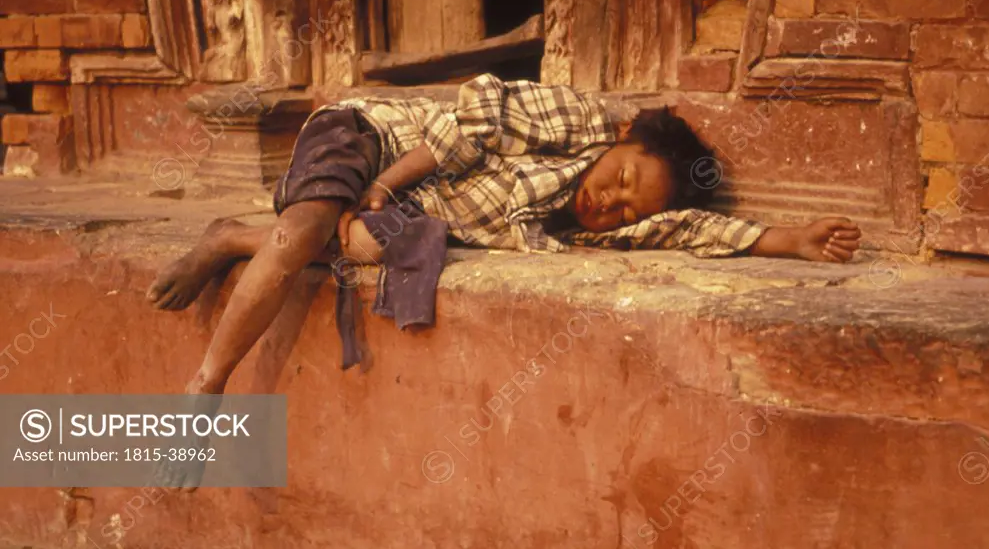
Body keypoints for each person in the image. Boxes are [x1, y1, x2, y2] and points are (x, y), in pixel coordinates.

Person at [148, 74, 861, 400]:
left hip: (401, 209)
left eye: (622, 212)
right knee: (307, 227)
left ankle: (234, 237)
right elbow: (462, 131)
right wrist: (379, 190)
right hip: (376, 143)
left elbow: (691, 229)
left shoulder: (601, 231)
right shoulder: (575, 121)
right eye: (619, 179)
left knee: (359, 250)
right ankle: (208, 386)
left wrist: (790, 239)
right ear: (621, 139)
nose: (607, 203)